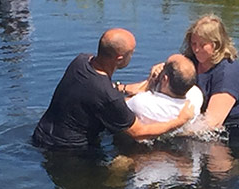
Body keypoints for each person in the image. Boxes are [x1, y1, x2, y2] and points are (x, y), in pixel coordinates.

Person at [32, 28, 194, 148]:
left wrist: (127, 88)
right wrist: (179, 121)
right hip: (69, 151)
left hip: (41, 134)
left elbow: (96, 89)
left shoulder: (80, 61)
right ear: (120, 58)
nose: (134, 54)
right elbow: (139, 132)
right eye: (132, 52)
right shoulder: (109, 97)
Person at [150, 14, 239, 131]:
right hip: (189, 117)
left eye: (203, 45)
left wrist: (162, 130)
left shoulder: (227, 73)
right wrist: (160, 69)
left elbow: (211, 124)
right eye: (193, 44)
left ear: (217, 45)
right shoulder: (192, 60)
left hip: (230, 131)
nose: (197, 49)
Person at [126, 54, 203, 125]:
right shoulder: (196, 96)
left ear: (165, 79)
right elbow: (184, 74)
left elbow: (120, 104)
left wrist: (150, 81)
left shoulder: (141, 103)